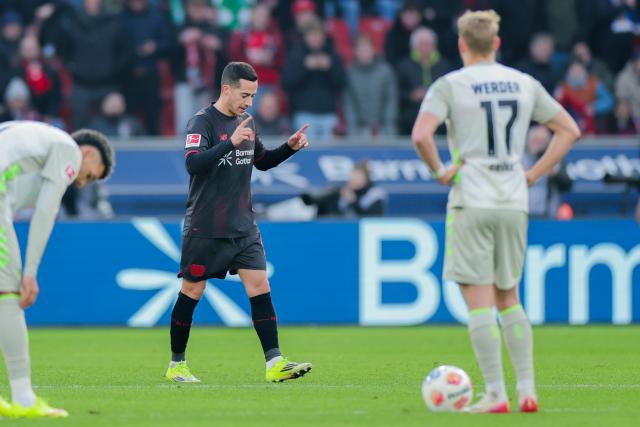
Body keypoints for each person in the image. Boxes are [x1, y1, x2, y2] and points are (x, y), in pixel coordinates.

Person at [412, 10, 580, 413]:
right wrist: (533, 174)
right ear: (498, 43)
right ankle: (527, 391)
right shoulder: (524, 83)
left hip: (472, 198)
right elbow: (570, 130)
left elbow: (421, 135)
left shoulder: (450, 85)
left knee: (480, 300)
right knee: (510, 297)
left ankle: (495, 394)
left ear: (461, 44)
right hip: (513, 199)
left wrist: (440, 171)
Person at [165, 62, 312, 384]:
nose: (249, 102)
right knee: (192, 290)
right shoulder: (201, 122)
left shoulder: (248, 122)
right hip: (206, 226)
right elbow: (193, 164)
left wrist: (288, 148)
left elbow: (261, 162)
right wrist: (228, 143)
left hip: (243, 225)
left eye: (254, 96)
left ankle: (275, 363)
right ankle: (177, 364)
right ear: (227, 89)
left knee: (260, 285)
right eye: (245, 95)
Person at [0, 121, 115, 418]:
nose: (81, 183)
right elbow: (46, 211)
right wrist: (30, 273)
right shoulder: (68, 149)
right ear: (87, 153)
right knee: (8, 295)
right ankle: (24, 399)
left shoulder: (34, 138)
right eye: (90, 175)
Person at [281, 21, 346, 139]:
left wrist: (330, 68)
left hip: (328, 114)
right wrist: (304, 67)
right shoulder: (296, 54)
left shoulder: (332, 54)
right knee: (306, 151)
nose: (315, 39)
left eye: (318, 35)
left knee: (329, 154)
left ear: (323, 37)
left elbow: (342, 83)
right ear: (305, 37)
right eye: (312, 35)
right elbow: (287, 83)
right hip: (303, 114)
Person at [396, 26, 452, 135]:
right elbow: (397, 94)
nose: (425, 48)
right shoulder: (404, 66)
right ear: (414, 46)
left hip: (440, 119)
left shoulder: (445, 66)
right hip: (411, 119)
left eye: (429, 44)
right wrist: (411, 95)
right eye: (422, 44)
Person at [344, 34, 397, 137]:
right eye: (361, 50)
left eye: (366, 49)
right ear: (355, 52)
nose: (364, 53)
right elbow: (349, 103)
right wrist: (353, 127)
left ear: (373, 50)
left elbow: (391, 100)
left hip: (384, 129)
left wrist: (388, 124)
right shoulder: (350, 73)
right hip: (358, 130)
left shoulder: (386, 71)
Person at [301, 161, 386, 217]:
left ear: (366, 179)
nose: (353, 180)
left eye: (358, 177)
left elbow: (374, 218)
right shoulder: (342, 191)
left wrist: (353, 202)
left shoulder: (374, 194)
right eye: (352, 177)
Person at [523, 125, 573, 218]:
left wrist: (555, 173)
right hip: (524, 215)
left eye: (541, 142)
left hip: (548, 216)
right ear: (528, 142)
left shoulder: (555, 161)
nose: (538, 146)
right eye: (535, 141)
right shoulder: (519, 160)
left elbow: (567, 185)